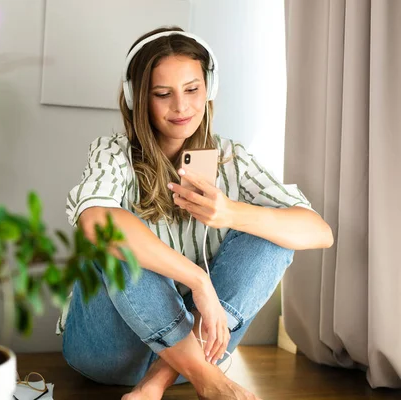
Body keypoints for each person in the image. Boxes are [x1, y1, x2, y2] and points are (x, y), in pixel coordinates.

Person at [57, 26, 334, 400]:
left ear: (209, 89)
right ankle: (207, 379)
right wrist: (199, 283)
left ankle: (159, 382)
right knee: (115, 230)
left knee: (271, 231)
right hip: (107, 353)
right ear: (137, 98)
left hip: (201, 353)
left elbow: (318, 231)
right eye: (162, 94)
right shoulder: (112, 152)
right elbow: (95, 222)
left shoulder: (231, 159)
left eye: (192, 89)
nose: (182, 107)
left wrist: (230, 213)